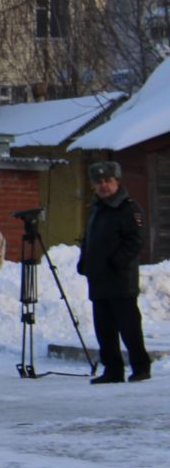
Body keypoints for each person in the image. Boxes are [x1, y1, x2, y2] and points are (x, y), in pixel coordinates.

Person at [80, 161, 151, 384]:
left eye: (108, 181)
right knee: (104, 330)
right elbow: (89, 241)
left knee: (129, 327)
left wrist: (116, 263)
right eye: (98, 182)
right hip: (99, 281)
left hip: (121, 280)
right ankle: (112, 369)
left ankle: (141, 367)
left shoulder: (129, 209)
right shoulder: (97, 210)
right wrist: (84, 261)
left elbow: (135, 241)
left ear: (117, 182)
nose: (103, 185)